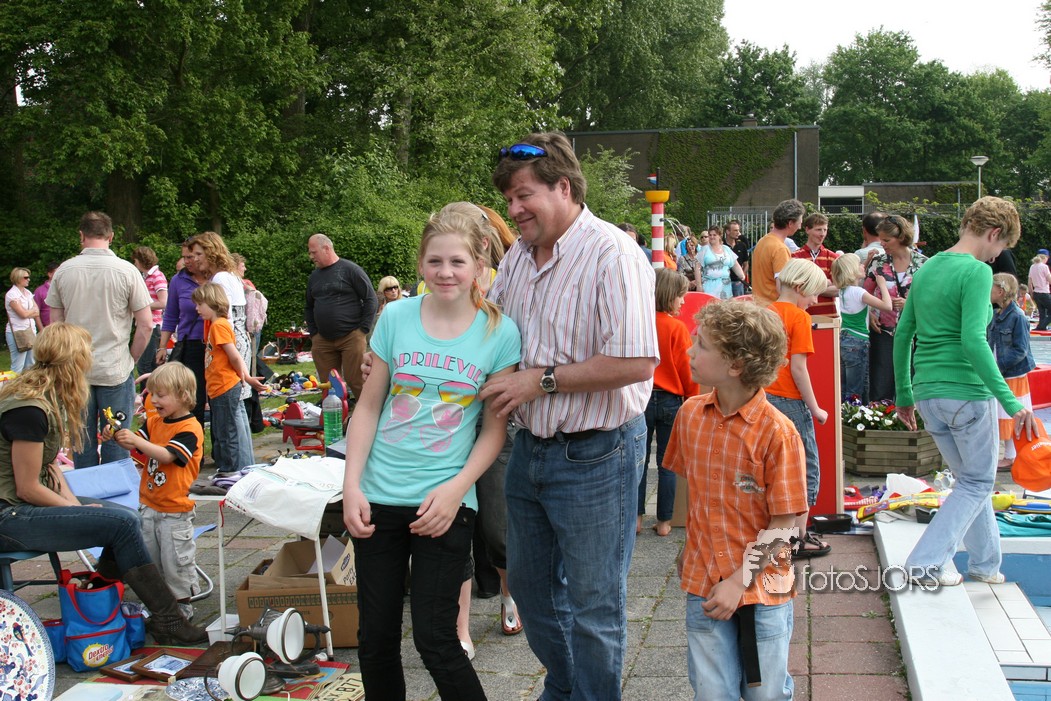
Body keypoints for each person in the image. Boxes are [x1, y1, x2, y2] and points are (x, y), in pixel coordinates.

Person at [481, 132, 658, 701]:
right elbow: (488, 329)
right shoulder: (518, 256)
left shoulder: (613, 254)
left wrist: (540, 380)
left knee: (595, 605)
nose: (514, 210)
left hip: (598, 453)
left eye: (523, 196)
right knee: (531, 592)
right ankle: (567, 687)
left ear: (564, 187)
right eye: (509, 199)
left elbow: (636, 361)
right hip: (530, 448)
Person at [342, 203, 521, 700]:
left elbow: (493, 432)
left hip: (443, 503)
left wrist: (457, 490)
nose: (446, 272)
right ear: (421, 263)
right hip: (377, 498)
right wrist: (351, 485)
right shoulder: (396, 317)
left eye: (457, 262)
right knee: (375, 639)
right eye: (435, 261)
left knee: (437, 639)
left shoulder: (500, 332)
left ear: (479, 267)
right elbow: (369, 406)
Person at [0, 323, 207, 644]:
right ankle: (168, 620)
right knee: (121, 523)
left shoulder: (40, 396)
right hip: (10, 514)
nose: (90, 364)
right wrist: (73, 510)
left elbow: (49, 465)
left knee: (121, 517)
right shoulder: (30, 408)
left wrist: (78, 507)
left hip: (22, 505)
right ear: (73, 361)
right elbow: (27, 487)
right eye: (86, 356)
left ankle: (98, 597)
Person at [663, 299, 806, 701]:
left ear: (736, 364)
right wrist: (689, 546)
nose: (690, 351)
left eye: (702, 345)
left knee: (766, 694)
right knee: (712, 692)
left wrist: (738, 583)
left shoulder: (778, 433)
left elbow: (785, 526)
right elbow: (693, 487)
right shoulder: (689, 415)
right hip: (705, 581)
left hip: (763, 588)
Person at [895, 197, 1035, 586]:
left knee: (971, 481)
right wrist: (1011, 402)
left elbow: (904, 334)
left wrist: (904, 394)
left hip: (928, 393)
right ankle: (924, 564)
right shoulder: (976, 272)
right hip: (967, 393)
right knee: (977, 483)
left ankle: (986, 564)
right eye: (1001, 247)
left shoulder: (927, 268)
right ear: (994, 233)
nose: (997, 256)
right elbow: (973, 341)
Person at [47, 211, 153, 468]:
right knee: (117, 437)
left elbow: (55, 327)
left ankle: (87, 490)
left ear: (81, 235)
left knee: (81, 440)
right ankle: (115, 491)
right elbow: (146, 324)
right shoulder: (127, 271)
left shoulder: (64, 271)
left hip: (75, 368)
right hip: (114, 366)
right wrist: (132, 357)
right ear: (111, 236)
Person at [107, 362, 203, 619]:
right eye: (151, 394)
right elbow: (136, 444)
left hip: (175, 509)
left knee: (176, 561)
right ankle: (159, 604)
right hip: (149, 504)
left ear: (183, 395)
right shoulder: (154, 422)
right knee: (151, 558)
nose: (153, 400)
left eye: (161, 395)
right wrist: (118, 434)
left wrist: (136, 440)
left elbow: (168, 455)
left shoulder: (189, 428)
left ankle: (182, 605)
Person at [765, 259, 830, 559]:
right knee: (804, 466)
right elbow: (799, 368)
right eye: (814, 293)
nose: (815, 301)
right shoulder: (799, 318)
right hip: (790, 401)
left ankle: (776, 531)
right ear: (801, 287)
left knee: (773, 466)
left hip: (763, 397)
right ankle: (798, 537)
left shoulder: (765, 312)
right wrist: (815, 407)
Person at [638, 269, 698, 538]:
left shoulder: (641, 324)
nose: (683, 301)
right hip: (671, 401)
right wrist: (692, 400)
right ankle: (664, 522)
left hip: (641, 397)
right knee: (667, 463)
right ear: (669, 295)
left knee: (639, 462)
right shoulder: (677, 328)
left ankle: (636, 519)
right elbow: (687, 369)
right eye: (680, 296)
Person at [192, 283, 264, 474]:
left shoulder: (219, 326)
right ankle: (233, 469)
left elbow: (234, 356)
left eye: (200, 304)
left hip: (225, 387)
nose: (197, 309)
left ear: (212, 302)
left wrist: (246, 378)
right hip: (219, 388)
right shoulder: (216, 325)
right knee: (224, 431)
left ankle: (230, 471)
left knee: (226, 433)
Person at [306, 234, 378, 400]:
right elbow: (309, 306)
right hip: (323, 340)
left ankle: (367, 413)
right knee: (328, 384)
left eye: (313, 252)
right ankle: (337, 414)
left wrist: (362, 330)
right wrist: (314, 334)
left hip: (351, 336)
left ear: (326, 248)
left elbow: (370, 299)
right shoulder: (314, 277)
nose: (311, 256)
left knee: (356, 380)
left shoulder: (351, 270)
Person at [864, 215, 928, 402]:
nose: (882, 244)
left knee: (913, 382)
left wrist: (910, 304)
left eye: (886, 240)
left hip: (915, 333)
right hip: (883, 332)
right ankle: (879, 418)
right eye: (881, 239)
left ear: (901, 237)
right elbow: (864, 293)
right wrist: (869, 313)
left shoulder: (924, 264)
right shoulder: (878, 262)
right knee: (881, 383)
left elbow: (933, 299)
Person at [988, 273, 1036, 470]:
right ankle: (1011, 454)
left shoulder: (1017, 316)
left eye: (991, 287)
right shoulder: (997, 314)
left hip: (1011, 373)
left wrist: (997, 366)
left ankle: (1011, 455)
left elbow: (1020, 349)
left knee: (1009, 413)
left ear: (1001, 291)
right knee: (1004, 413)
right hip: (1003, 371)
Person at [157, 243, 209, 425]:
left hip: (217, 342)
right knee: (194, 398)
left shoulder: (217, 277)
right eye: (184, 257)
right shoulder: (178, 281)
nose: (186, 261)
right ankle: (193, 437)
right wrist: (162, 347)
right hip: (191, 344)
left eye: (191, 257)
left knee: (219, 397)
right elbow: (171, 315)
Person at [831, 254, 892, 403]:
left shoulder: (843, 290)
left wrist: (868, 260)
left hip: (844, 339)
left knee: (849, 384)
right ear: (852, 271)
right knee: (856, 388)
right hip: (858, 341)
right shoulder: (859, 292)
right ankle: (854, 412)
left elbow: (855, 304)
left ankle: (848, 412)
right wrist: (882, 285)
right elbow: (887, 306)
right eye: (859, 264)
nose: (863, 266)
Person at [751, 200, 804, 307]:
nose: (800, 227)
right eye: (800, 222)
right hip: (773, 309)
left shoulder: (762, 241)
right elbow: (782, 289)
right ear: (790, 223)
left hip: (759, 307)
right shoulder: (780, 249)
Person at [131, 246, 169, 377]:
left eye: (136, 260)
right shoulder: (145, 277)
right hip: (146, 324)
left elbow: (163, 302)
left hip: (153, 326)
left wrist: (140, 306)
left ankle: (148, 390)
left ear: (142, 260)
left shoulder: (157, 276)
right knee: (150, 365)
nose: (135, 263)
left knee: (144, 365)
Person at [791, 213, 839, 299]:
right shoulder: (795, 257)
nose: (822, 234)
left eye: (825, 230)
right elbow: (794, 287)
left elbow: (838, 289)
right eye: (818, 230)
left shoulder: (833, 257)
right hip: (803, 307)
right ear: (807, 230)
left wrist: (808, 286)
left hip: (828, 308)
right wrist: (826, 284)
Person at [696, 225, 745, 300]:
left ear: (719, 236)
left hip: (725, 287)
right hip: (709, 286)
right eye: (710, 235)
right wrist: (699, 285)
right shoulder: (704, 250)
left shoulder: (726, 249)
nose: (712, 237)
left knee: (725, 306)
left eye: (714, 235)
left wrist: (742, 276)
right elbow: (697, 268)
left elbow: (735, 264)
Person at [5, 267, 39, 373]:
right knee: (18, 366)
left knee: (31, 364)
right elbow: (23, 314)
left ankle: (27, 384)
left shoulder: (27, 292)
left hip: (30, 331)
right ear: (18, 278)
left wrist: (29, 312)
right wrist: (31, 311)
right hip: (18, 332)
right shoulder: (12, 294)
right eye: (26, 277)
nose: (28, 279)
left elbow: (37, 311)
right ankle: (13, 384)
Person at [1028, 251, 1051, 331]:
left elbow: (1029, 282)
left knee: (1042, 312)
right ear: (1045, 257)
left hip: (1036, 292)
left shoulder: (1032, 267)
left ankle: (1041, 327)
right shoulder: (1044, 267)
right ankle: (1042, 325)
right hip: (1044, 292)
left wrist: (1032, 293)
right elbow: (1049, 280)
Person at [726, 220, 750, 297]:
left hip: (738, 282)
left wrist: (742, 278)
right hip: (724, 282)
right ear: (728, 232)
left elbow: (746, 264)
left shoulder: (742, 245)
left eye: (738, 230)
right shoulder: (722, 246)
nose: (738, 232)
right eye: (735, 230)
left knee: (738, 303)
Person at [32, 261, 59, 328]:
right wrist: (41, 330)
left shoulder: (63, 289)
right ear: (50, 274)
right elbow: (36, 312)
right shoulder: (39, 291)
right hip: (47, 328)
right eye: (57, 272)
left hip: (62, 329)